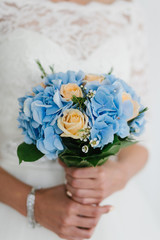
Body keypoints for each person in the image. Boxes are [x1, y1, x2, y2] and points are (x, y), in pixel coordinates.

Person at [0, 0, 159, 239]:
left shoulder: (127, 12)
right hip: (13, 200)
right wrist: (33, 204)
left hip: (108, 210)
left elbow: (141, 138)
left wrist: (119, 173)